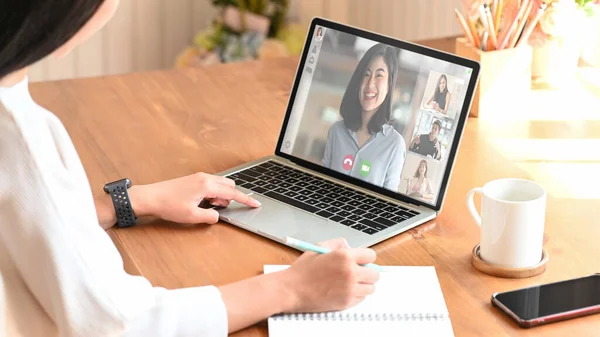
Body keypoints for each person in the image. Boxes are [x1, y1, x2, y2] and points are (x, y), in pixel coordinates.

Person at [0, 1, 380, 336]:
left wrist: (126, 202)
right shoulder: (19, 133)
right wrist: (290, 288)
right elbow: (118, 324)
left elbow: (21, 220)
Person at [322, 43, 406, 191]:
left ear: (388, 86)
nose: (370, 83)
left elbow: (388, 203)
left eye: (379, 75)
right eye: (366, 74)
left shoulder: (395, 145)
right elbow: (323, 182)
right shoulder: (336, 131)